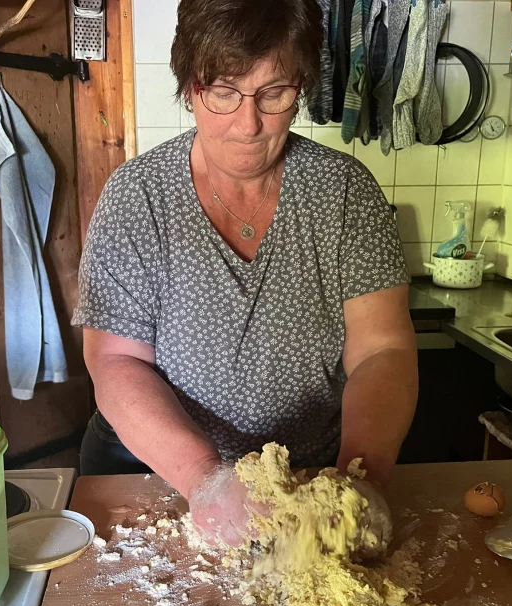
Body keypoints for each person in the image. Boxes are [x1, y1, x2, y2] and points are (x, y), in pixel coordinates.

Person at [72, 0, 418, 545]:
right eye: (223, 91)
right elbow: (115, 360)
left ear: (301, 86)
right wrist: (204, 478)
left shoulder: (345, 192)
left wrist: (359, 478)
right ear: (190, 87)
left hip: (312, 475)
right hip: (155, 469)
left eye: (273, 93)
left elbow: (383, 348)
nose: (248, 123)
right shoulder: (137, 197)